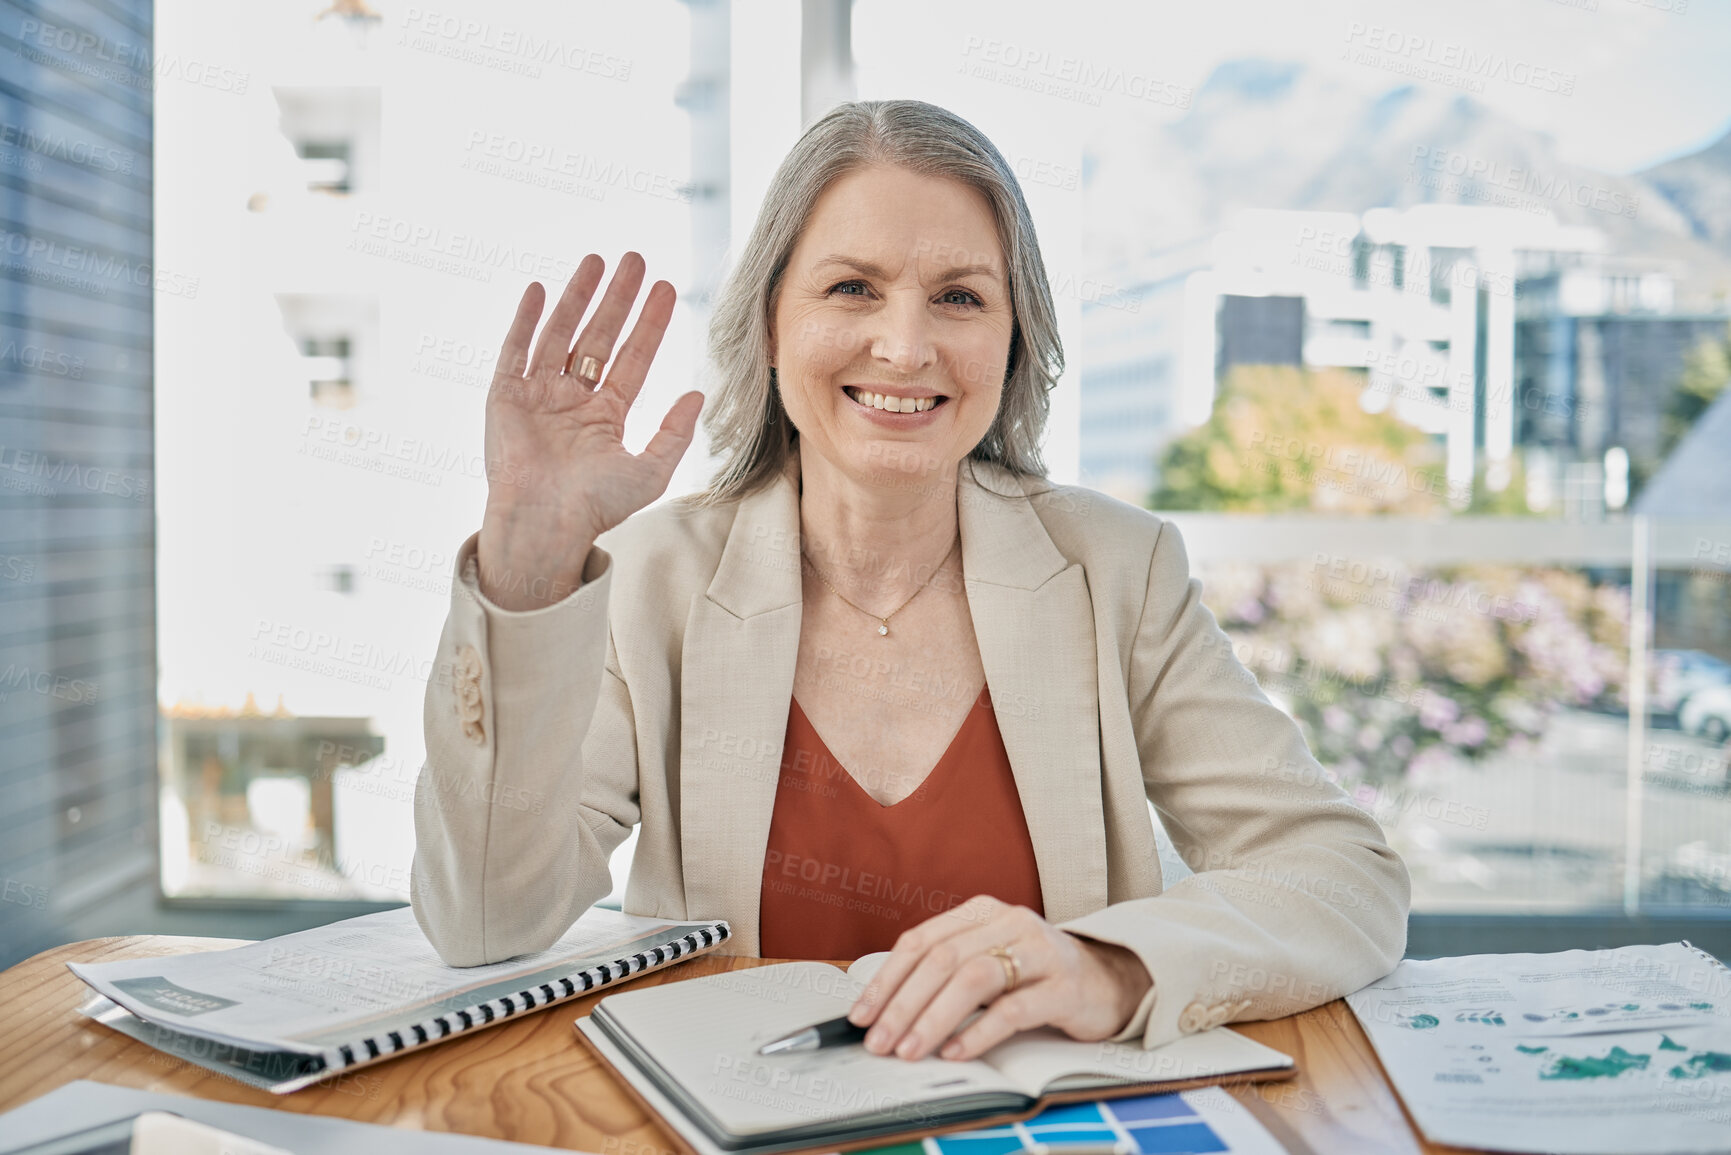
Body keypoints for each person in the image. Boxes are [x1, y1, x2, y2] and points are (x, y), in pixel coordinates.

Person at [411, 99, 1409, 1063]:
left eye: (961, 297)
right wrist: (529, 563)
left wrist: (1114, 969)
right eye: (852, 288)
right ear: (769, 326)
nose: (905, 345)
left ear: (1015, 342)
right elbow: (488, 919)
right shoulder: (649, 578)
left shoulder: (1117, 571)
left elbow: (1340, 876)